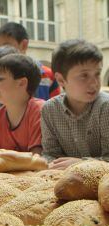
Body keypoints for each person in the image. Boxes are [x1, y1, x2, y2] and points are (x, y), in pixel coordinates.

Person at [42, 39, 109, 169]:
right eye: (84, 75)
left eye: (97, 74)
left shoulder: (105, 107)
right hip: (65, 181)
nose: (94, 83)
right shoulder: (50, 109)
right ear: (61, 79)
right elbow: (50, 154)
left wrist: (80, 164)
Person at [0, 22, 61, 100]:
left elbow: (56, 107)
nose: (1, 51)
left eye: (6, 46)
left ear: (24, 45)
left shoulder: (47, 75)